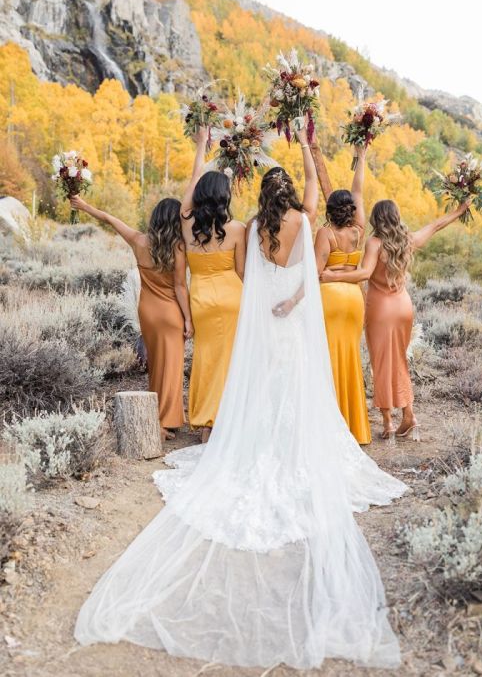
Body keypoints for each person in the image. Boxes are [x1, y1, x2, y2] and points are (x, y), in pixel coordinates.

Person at [74, 122, 407, 671]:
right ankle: (290, 447)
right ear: (290, 195)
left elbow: (248, 277)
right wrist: (307, 147)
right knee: (294, 387)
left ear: (260, 197)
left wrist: (213, 153)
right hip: (293, 314)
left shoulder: (250, 229)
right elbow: (309, 255)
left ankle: (255, 443)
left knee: (264, 385)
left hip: (260, 315)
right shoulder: (304, 220)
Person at [321, 198, 471, 440]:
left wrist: (330, 277)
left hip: (381, 309)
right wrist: (460, 210)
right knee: (399, 361)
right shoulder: (406, 239)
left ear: (376, 219)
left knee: (381, 364)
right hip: (403, 306)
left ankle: (389, 422)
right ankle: (409, 415)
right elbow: (435, 226)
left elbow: (365, 273)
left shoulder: (374, 242)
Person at [69, 195, 191, 439]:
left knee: (156, 365)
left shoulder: (138, 240)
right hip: (170, 313)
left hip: (147, 311)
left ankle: (155, 417)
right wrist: (188, 319)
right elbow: (179, 286)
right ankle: (163, 422)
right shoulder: (178, 247)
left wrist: (84, 205)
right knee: (172, 367)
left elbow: (110, 220)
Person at [181, 127, 245, 442]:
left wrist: (201, 148)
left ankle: (206, 421)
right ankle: (226, 420)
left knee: (206, 358)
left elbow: (193, 181)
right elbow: (244, 271)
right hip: (233, 298)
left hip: (201, 299)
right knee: (231, 360)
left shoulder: (186, 223)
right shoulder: (238, 229)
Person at [315, 144, 370, 444]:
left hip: (330, 300)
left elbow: (316, 271)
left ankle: (330, 425)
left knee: (329, 360)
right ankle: (354, 427)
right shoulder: (358, 230)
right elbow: (358, 190)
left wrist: (330, 273)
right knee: (349, 358)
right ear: (351, 210)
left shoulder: (326, 233)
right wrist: (361, 157)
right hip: (354, 301)